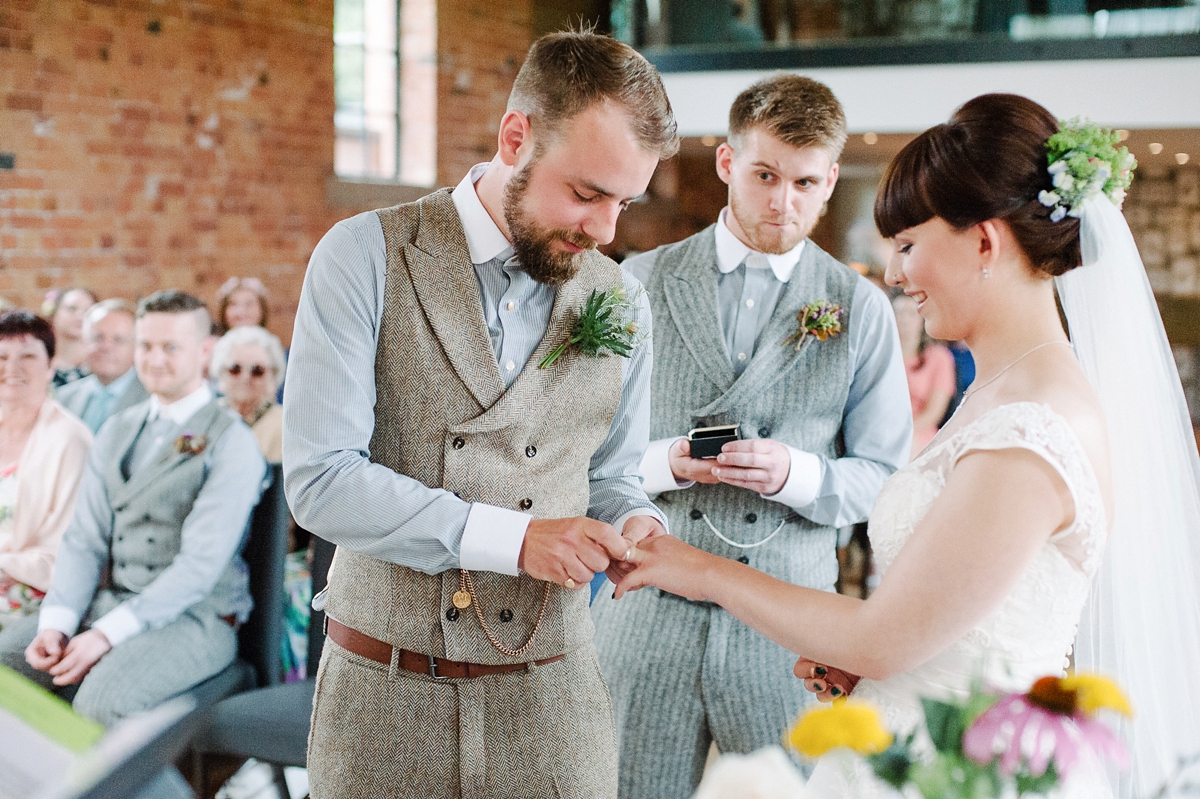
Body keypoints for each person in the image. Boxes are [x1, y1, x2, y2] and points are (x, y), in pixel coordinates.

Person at [612, 94, 1200, 798]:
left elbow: (882, 633)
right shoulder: (996, 395)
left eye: (909, 245)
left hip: (963, 768)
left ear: (984, 242)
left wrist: (699, 568)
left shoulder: (1033, 430)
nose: (893, 274)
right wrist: (885, 662)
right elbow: (931, 617)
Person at [284, 30, 678, 799]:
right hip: (382, 698)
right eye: (587, 192)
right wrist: (515, 539)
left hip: (554, 703)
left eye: (624, 202)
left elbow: (613, 476)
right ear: (514, 136)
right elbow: (321, 481)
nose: (605, 230)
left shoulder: (622, 298)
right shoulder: (364, 255)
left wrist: (639, 523)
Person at [589, 75, 911, 799]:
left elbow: (886, 475)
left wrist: (798, 473)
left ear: (830, 180)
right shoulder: (637, 282)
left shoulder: (860, 308)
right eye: (765, 175)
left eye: (803, 182)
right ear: (728, 163)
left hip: (787, 622)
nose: (782, 202)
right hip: (644, 608)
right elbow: (584, 449)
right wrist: (667, 462)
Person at [0, 290, 266, 727]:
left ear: (204, 352)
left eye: (170, 347)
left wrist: (104, 635)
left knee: (101, 703)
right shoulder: (117, 428)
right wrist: (58, 621)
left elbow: (199, 566)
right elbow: (83, 539)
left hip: (196, 618)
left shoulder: (232, 441)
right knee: (8, 665)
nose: (155, 359)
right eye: (145, 345)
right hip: (109, 599)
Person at [0, 311, 93, 630]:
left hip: (35, 589)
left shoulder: (70, 439)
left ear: (51, 366)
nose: (12, 368)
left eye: (27, 356)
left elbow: (70, 548)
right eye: (2, 356)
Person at [55, 299, 148, 433]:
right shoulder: (63, 399)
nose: (106, 347)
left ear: (136, 346)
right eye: (98, 337)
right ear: (84, 341)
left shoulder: (153, 400)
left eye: (118, 340)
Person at [892, 292, 955, 458]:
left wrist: (902, 433)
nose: (903, 319)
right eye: (898, 313)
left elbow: (934, 412)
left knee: (907, 448)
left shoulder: (939, 357)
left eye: (910, 314)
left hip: (919, 431)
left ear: (922, 319)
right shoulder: (883, 354)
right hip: (883, 427)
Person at [212, 326, 286, 462]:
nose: (245, 378)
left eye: (257, 370)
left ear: (273, 377)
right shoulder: (208, 417)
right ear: (221, 372)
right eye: (235, 369)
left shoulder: (284, 426)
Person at [41, 288, 97, 388]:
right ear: (53, 314)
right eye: (72, 309)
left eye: (88, 310)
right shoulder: (41, 361)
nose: (80, 316)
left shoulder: (101, 362)